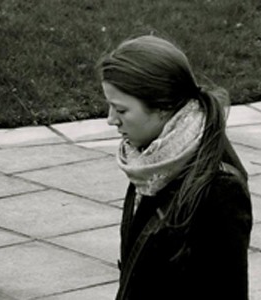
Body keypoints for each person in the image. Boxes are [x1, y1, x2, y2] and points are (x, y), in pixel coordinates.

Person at [97, 35, 253, 300]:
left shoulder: (220, 188)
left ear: (162, 108)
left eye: (121, 111)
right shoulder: (152, 160)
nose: (110, 120)